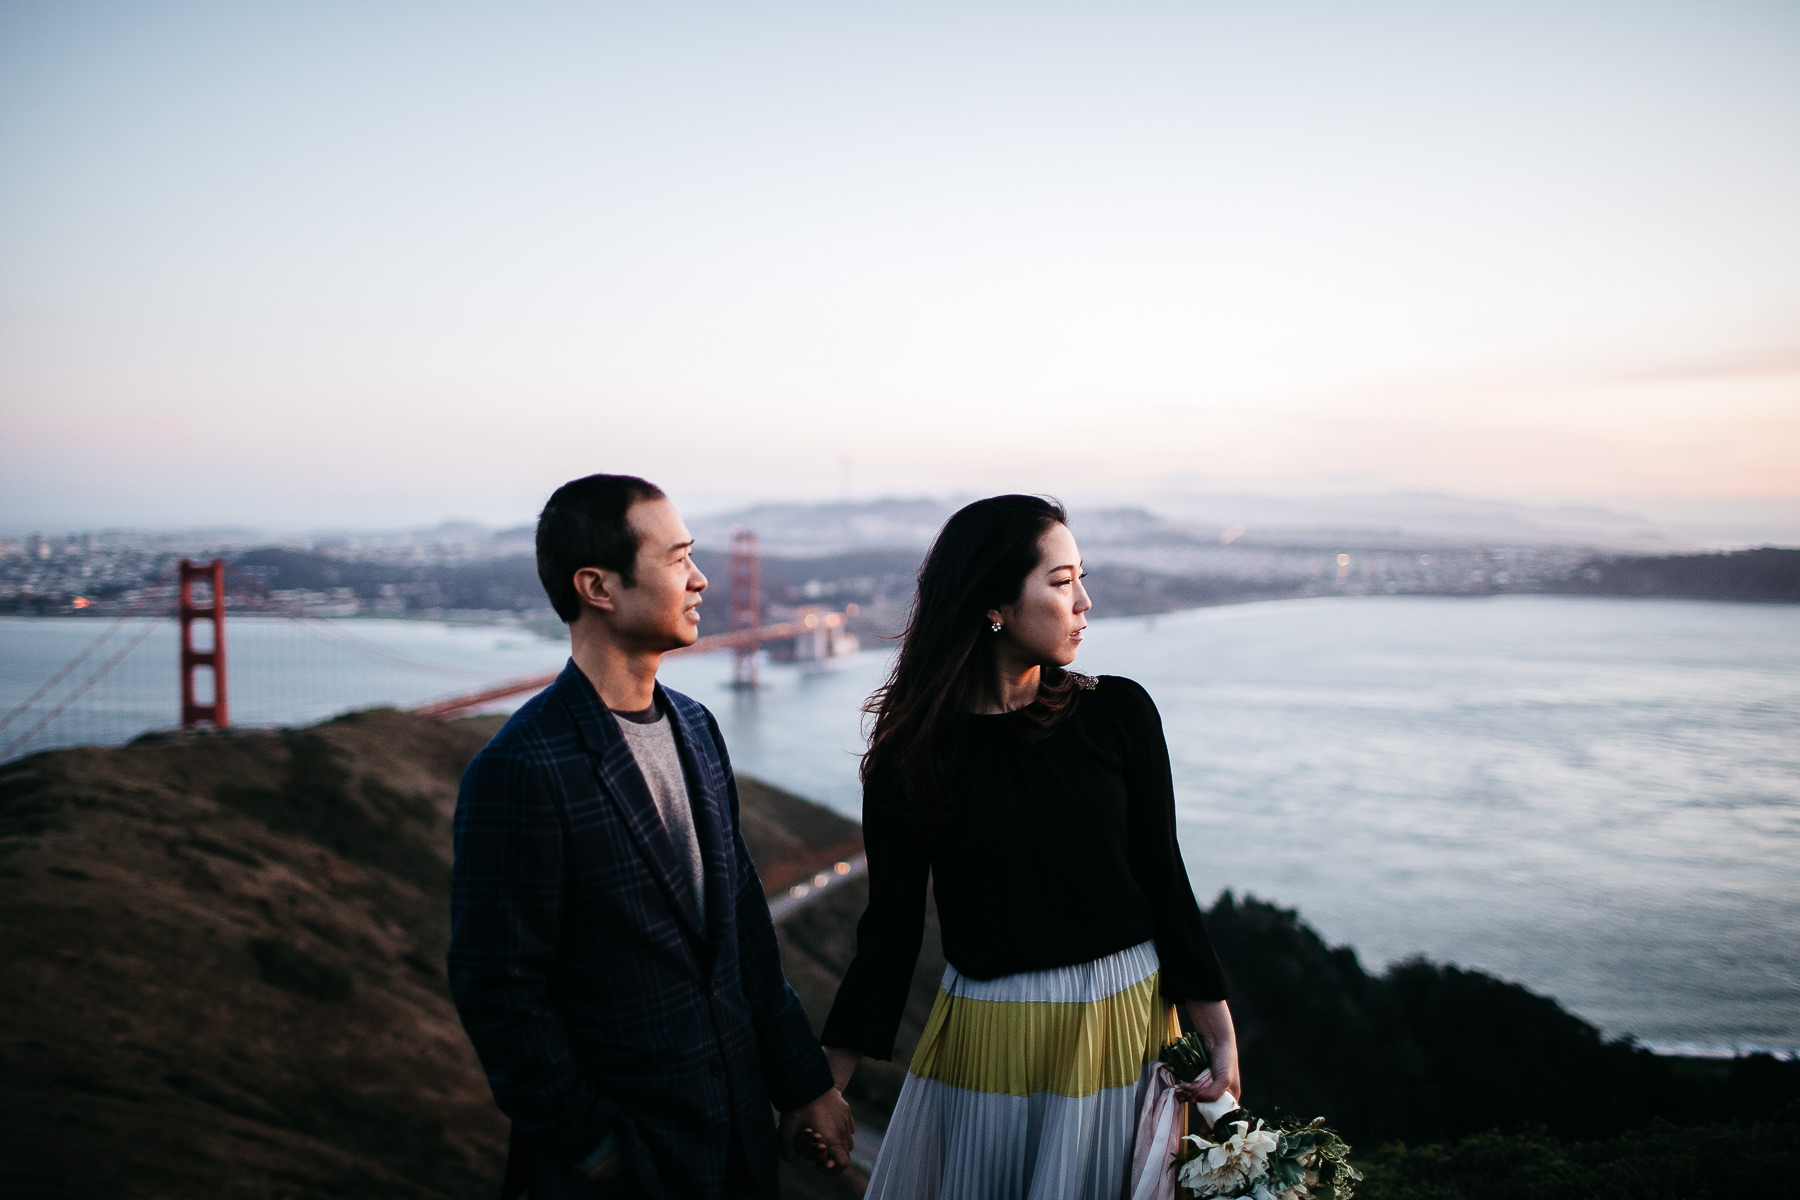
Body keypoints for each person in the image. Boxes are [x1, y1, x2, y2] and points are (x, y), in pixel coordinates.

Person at [808, 495, 1242, 1198]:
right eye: (1061, 581)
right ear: (993, 603)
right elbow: (886, 935)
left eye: (1081, 578)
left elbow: (1165, 875)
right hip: (991, 1041)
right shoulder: (912, 756)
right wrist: (824, 1087)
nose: (1085, 602)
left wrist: (1216, 1028)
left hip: (1125, 1029)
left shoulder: (1119, 713)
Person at [448, 473, 855, 1200]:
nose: (700, 580)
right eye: (676, 559)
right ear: (598, 587)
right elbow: (501, 994)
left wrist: (804, 1084)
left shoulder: (698, 728)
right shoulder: (519, 769)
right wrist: (598, 1149)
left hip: (738, 1147)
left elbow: (746, 937)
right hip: (622, 1168)